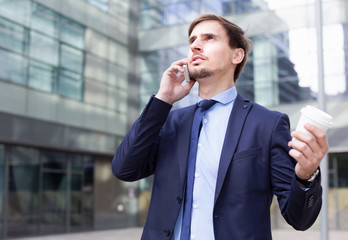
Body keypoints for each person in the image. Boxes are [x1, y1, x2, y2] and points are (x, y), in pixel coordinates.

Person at [112, 13, 328, 240]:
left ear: (237, 55)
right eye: (192, 40)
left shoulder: (268, 124)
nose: (195, 45)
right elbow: (124, 169)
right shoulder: (171, 121)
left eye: (209, 38)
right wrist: (162, 100)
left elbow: (299, 219)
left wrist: (305, 176)